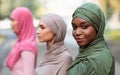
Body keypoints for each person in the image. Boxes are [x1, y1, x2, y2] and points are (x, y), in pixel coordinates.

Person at [67, 3, 115, 75]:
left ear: (97, 27)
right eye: (74, 27)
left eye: (84, 27)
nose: (77, 32)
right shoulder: (88, 53)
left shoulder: (97, 59)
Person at [5, 7, 37, 75]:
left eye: (13, 20)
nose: (11, 23)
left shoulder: (27, 45)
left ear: (22, 21)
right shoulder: (20, 43)